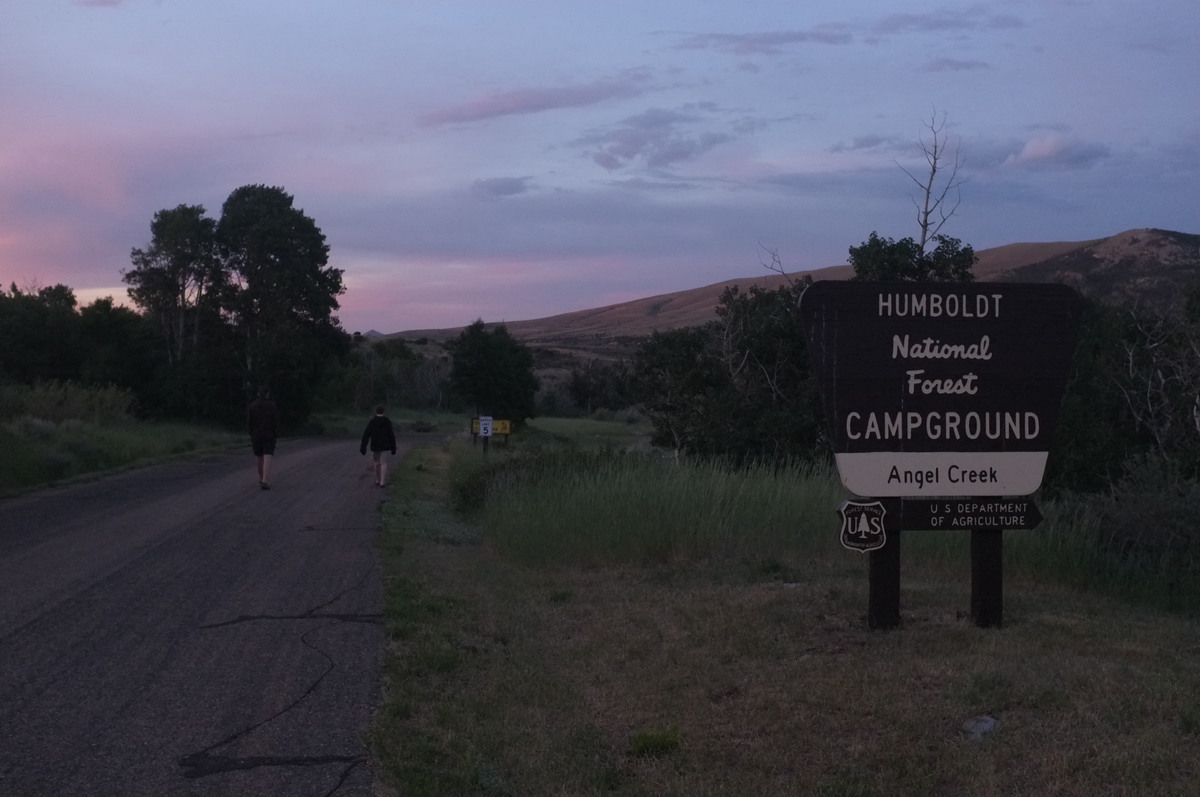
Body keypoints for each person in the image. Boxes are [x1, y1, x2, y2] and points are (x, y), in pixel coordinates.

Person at [247, 386, 278, 490]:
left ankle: (261, 478)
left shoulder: (252, 406)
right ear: (267, 394)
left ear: (258, 394)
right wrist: (276, 433)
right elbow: (275, 421)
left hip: (256, 435)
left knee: (259, 457)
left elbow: (250, 422)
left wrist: (251, 433)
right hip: (269, 434)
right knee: (268, 456)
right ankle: (265, 479)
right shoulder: (272, 406)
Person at [360, 405, 397, 487]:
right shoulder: (387, 421)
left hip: (375, 445)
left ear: (376, 411)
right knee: (383, 463)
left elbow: (366, 434)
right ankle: (382, 482)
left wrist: (363, 447)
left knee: (376, 462)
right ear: (383, 412)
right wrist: (393, 447)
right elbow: (391, 435)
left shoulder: (372, 422)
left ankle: (377, 479)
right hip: (384, 445)